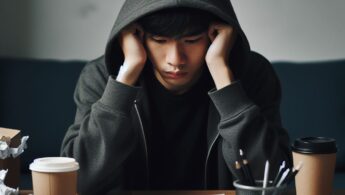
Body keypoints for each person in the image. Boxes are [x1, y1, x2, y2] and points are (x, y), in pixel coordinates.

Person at [61, 0, 292, 194]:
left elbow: (272, 181)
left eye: (191, 41)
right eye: (159, 40)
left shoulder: (252, 74)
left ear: (215, 36)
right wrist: (123, 82)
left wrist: (224, 78)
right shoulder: (102, 78)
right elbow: (77, 181)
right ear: (137, 37)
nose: (175, 59)